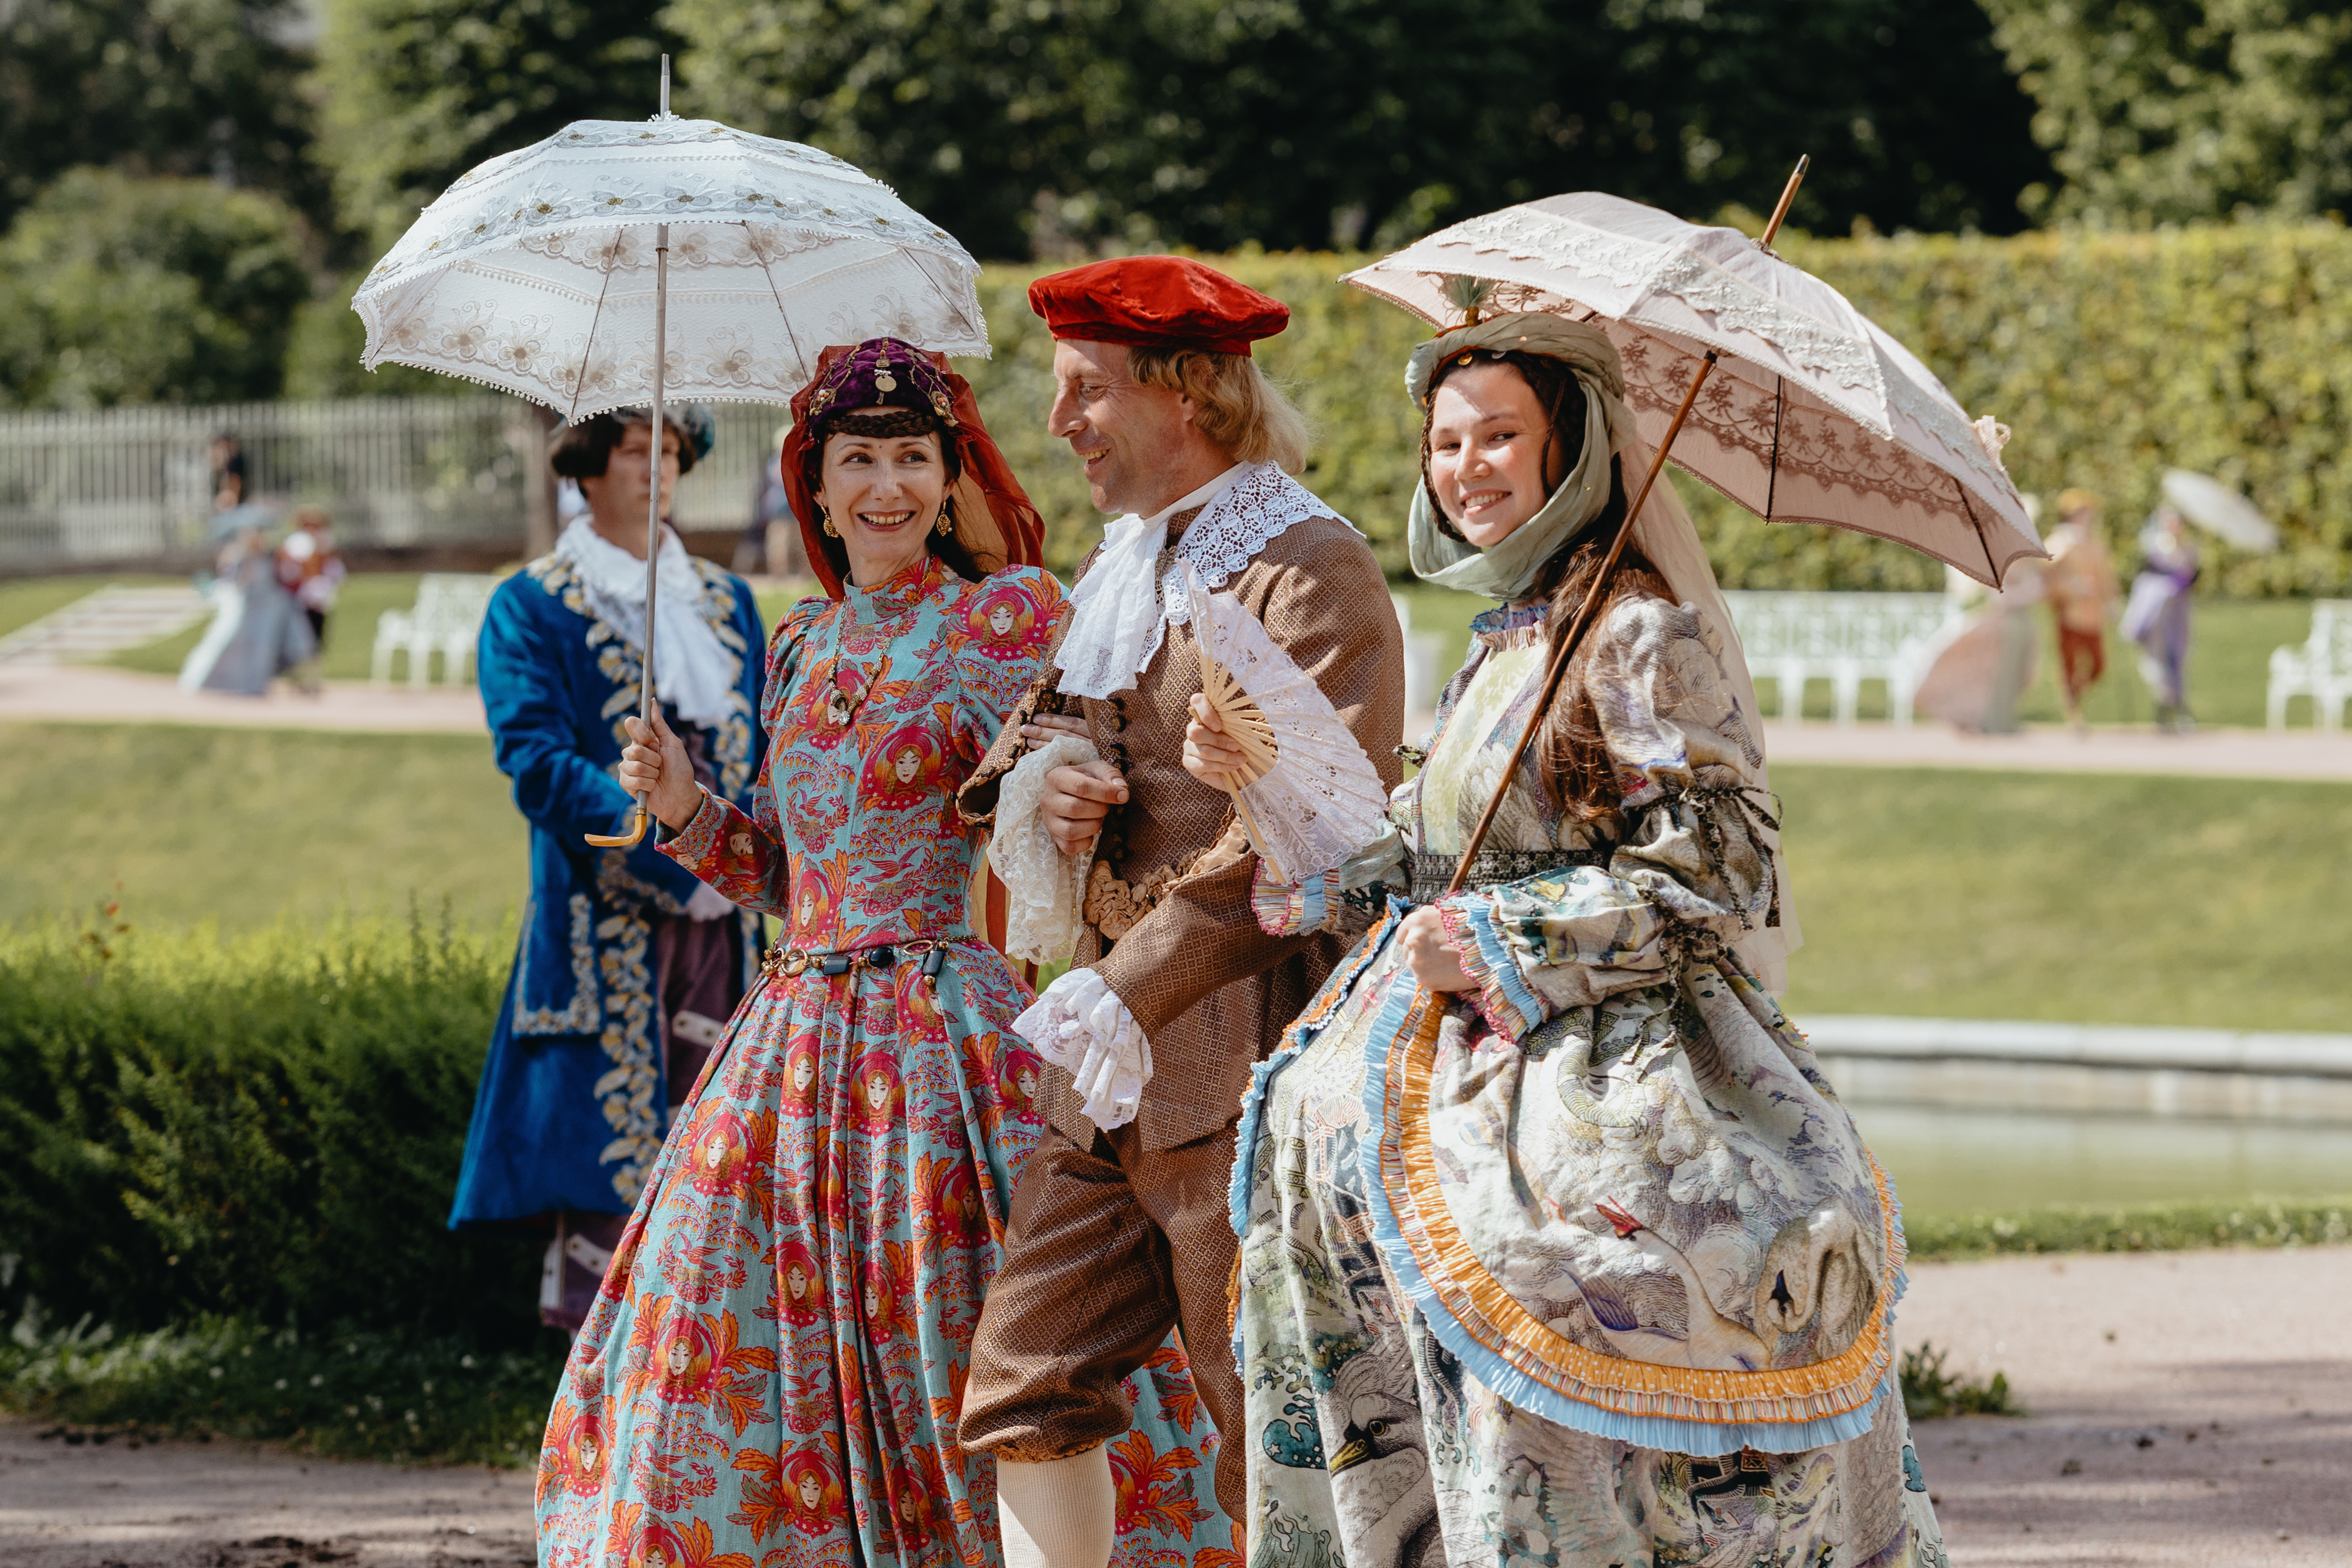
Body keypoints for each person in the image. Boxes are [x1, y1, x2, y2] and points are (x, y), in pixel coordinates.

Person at [1206, 314, 1946, 1564]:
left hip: (1604, 1077)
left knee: (1550, 1326)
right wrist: (1265, 785)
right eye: (1445, 441)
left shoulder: (1633, 629)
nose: (1466, 465)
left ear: (1574, 447)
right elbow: (1428, 855)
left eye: (1501, 435)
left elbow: (1723, 859)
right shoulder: (1507, 634)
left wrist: (1508, 934)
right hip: (1441, 1065)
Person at [532, 340, 1228, 1568]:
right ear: (818, 482)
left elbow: (1087, 765)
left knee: (976, 1322)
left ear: (951, 474)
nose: (888, 486)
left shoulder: (999, 614)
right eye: (860, 459)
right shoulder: (799, 641)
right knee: (721, 1317)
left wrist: (1064, 789)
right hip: (788, 1035)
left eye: (913, 457)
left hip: (937, 1034)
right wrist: (689, 802)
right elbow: (777, 877)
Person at [954, 256, 1406, 1562]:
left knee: (1268, 1410)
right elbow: (1018, 746)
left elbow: (1318, 834)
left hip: (1242, 1050)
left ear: (1189, 391)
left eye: (1086, 390)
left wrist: (1125, 983)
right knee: (1025, 1382)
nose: (1059, 424)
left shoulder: (1307, 568)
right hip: (1108, 1062)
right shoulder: (1123, 566)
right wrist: (1049, 787)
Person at [450, 405, 768, 1334]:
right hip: (604, 924)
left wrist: (738, 850)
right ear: (587, 467)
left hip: (729, 922)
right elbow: (536, 762)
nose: (658, 467)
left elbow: (764, 749)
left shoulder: (726, 599)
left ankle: (712, 1404)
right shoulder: (532, 603)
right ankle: (600, 1417)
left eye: (672, 450)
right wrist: (672, 846)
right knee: (611, 1174)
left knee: (723, 1165)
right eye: (637, 449)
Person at [178, 506, 316, 696]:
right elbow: (234, 581)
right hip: (245, 610)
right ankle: (206, 680)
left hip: (263, 613)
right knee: (226, 644)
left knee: (266, 651)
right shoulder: (238, 555)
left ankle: (256, 684)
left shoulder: (266, 557)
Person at [2043, 488, 2117, 732]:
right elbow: (2047, 574)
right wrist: (2070, 587)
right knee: (2070, 665)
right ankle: (2074, 715)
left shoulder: (2095, 543)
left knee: (2098, 666)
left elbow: (2106, 577)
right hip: (2071, 614)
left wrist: (2111, 601)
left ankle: (2073, 696)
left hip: (2093, 615)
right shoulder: (2060, 542)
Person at [2122, 504, 2198, 731]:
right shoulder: (2157, 546)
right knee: (2156, 662)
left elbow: (2190, 577)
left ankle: (2174, 708)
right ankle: (2168, 705)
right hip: (2156, 614)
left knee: (2177, 658)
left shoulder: (2189, 548)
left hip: (2177, 614)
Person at [275, 505, 347, 689]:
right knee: (300, 641)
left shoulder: (325, 543)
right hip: (300, 601)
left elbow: (335, 572)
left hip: (319, 601)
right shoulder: (297, 543)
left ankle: (311, 680)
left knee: (316, 642)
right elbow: (288, 571)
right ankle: (299, 678)